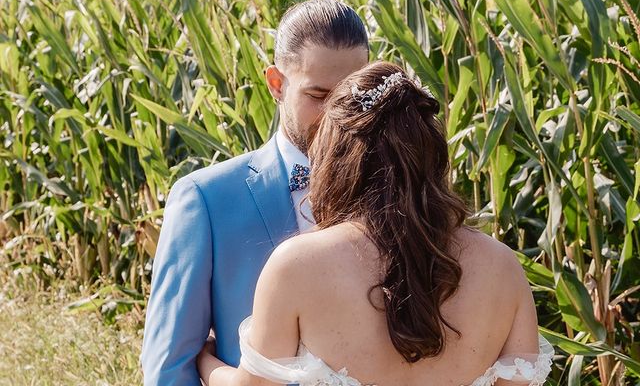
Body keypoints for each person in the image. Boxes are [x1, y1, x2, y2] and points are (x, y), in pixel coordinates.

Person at [196, 61, 554, 386]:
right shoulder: (503, 267)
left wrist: (206, 363)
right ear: (432, 154)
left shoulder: (296, 266)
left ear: (338, 158)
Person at [140, 0, 370, 385]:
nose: (336, 115)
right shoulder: (206, 200)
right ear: (276, 85)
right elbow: (169, 365)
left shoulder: (399, 191)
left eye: (349, 96)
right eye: (318, 95)